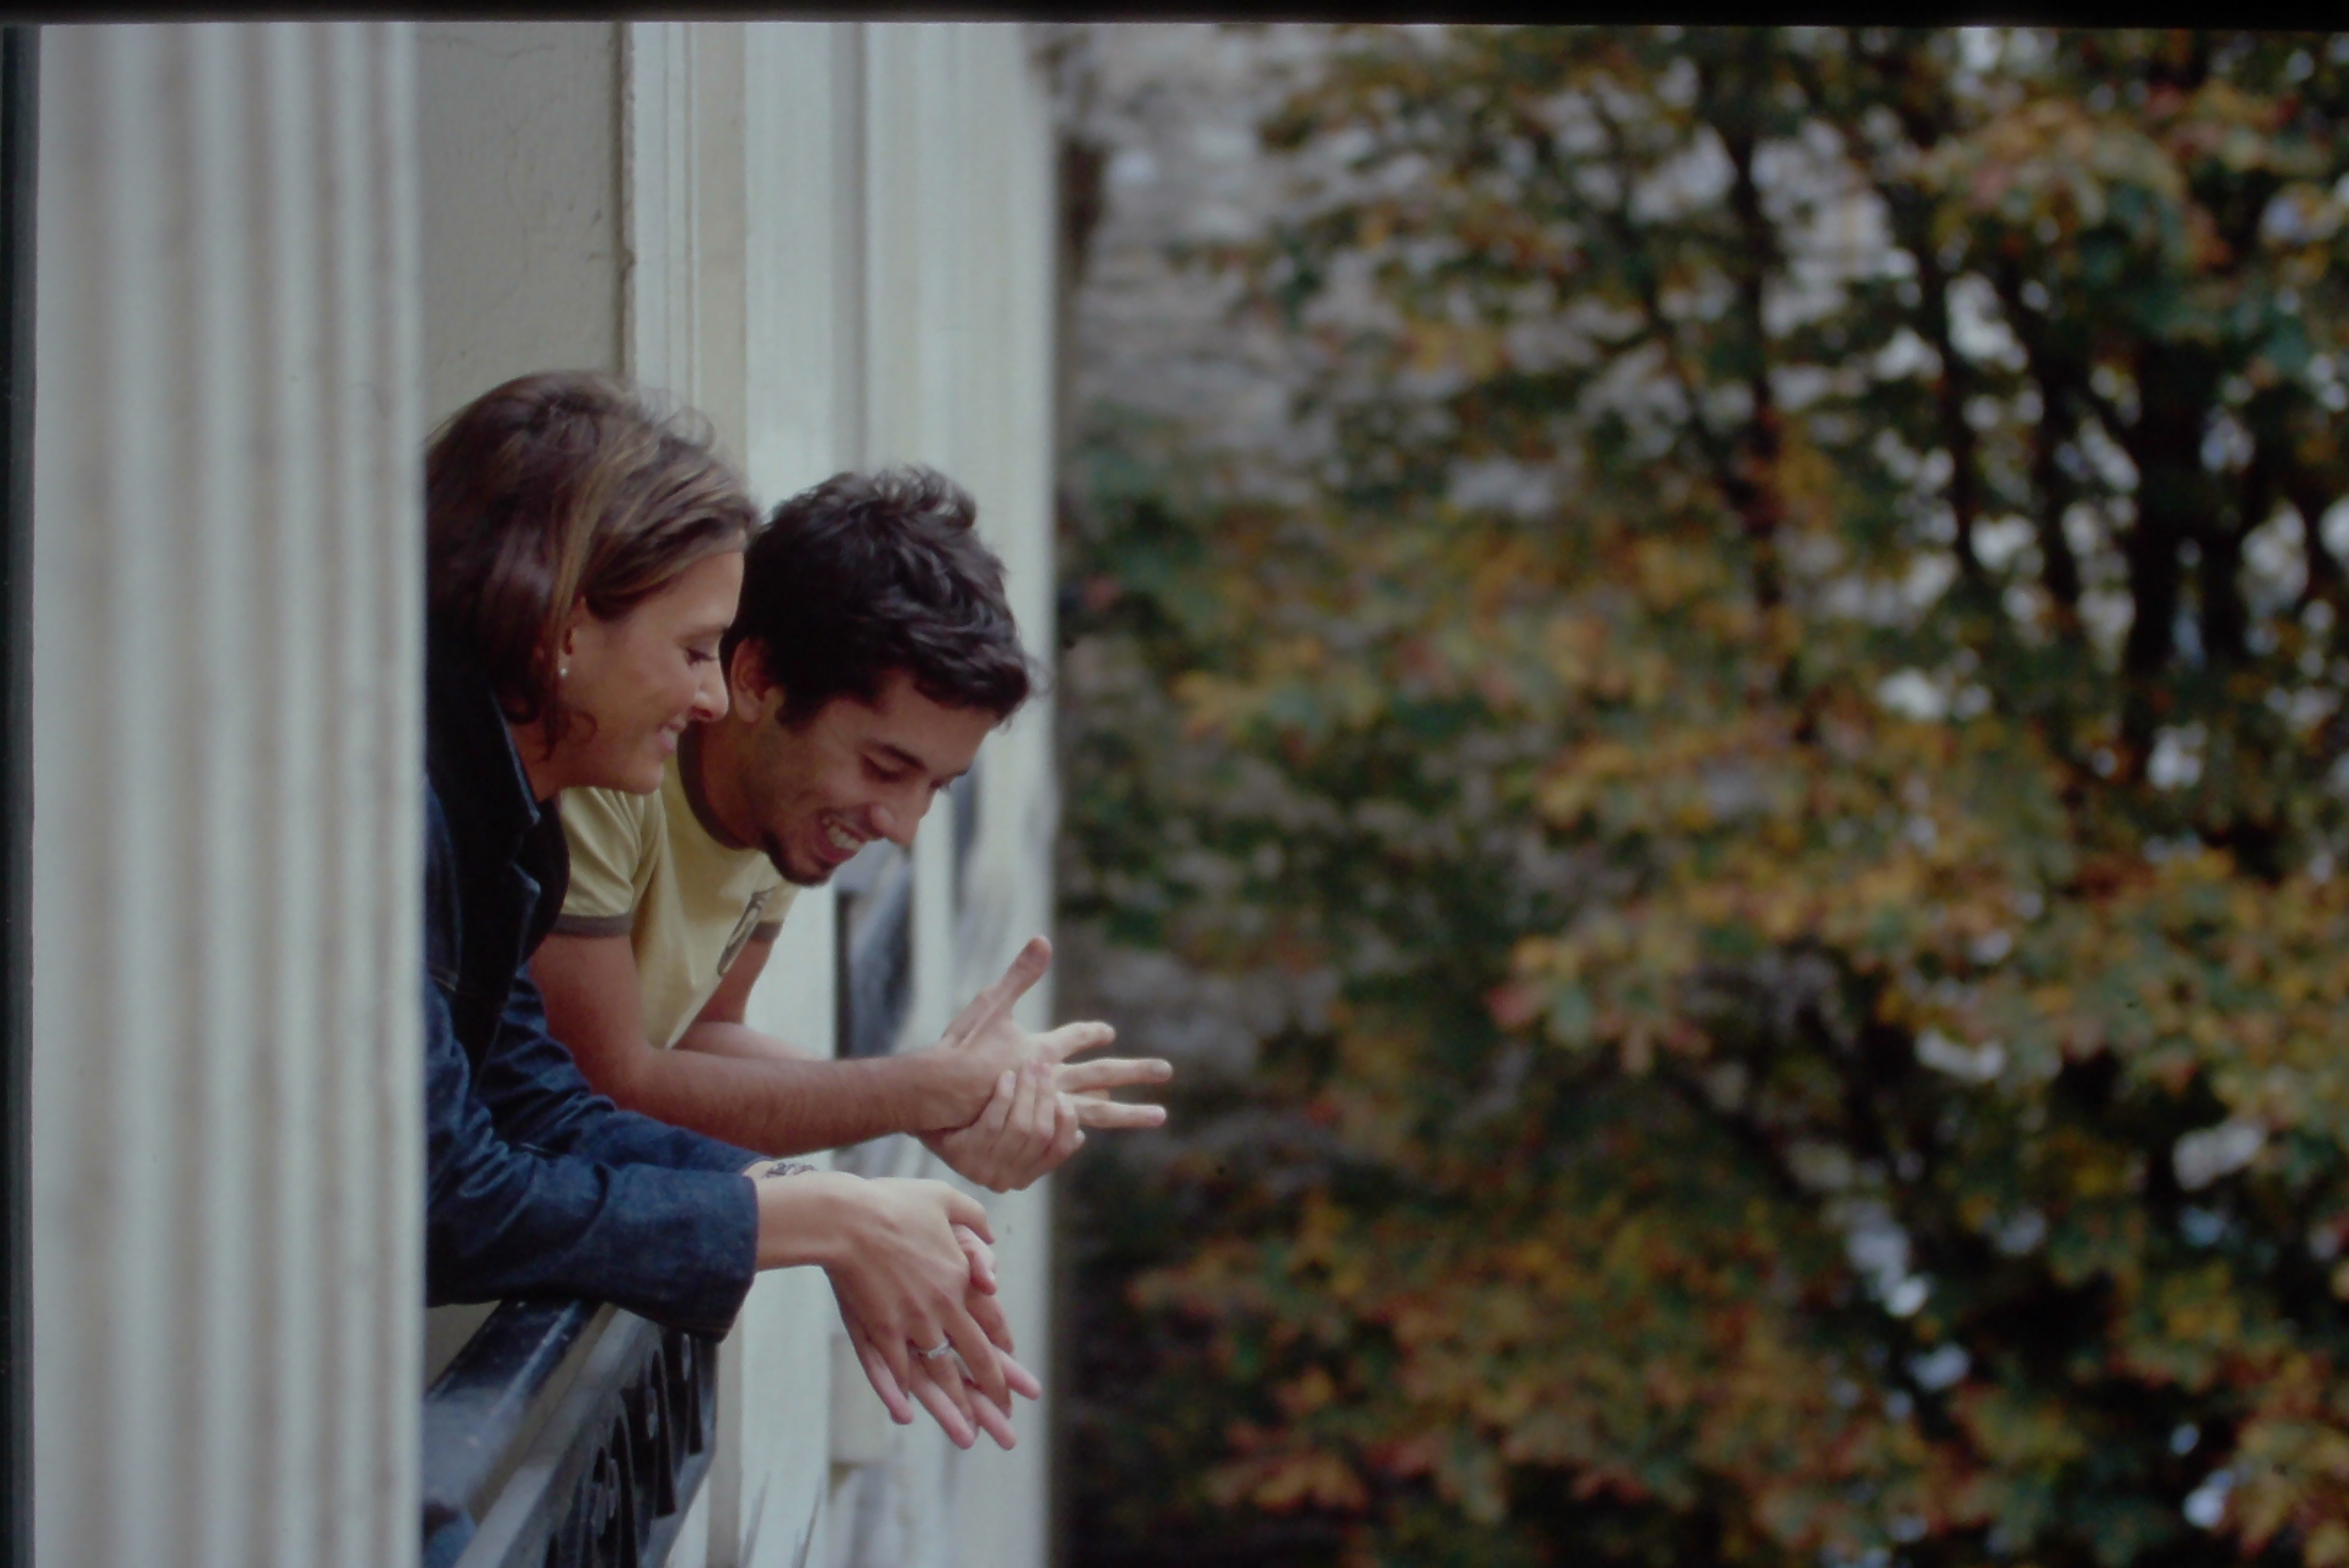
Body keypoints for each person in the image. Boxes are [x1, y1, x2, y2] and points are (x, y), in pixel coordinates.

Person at [421, 371, 1026, 1456]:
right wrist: (821, 1205)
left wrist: (832, 1208)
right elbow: (463, 1194)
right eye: (694, 651)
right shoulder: (426, 814)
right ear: (560, 626)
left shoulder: (498, 818)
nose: (706, 703)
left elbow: (538, 1100)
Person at [530, 467, 1170, 1186]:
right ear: (758, 679)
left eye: (937, 786)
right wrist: (922, 1091)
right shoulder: (608, 774)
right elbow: (602, 1088)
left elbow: (703, 1036)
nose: (901, 827)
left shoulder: (778, 800)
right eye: (885, 766)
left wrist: (938, 1097)